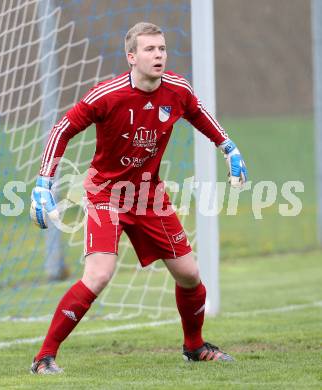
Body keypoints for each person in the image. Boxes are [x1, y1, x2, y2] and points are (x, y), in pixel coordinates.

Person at [30, 22, 247, 374]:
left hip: (148, 196)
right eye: (149, 49)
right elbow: (61, 129)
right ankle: (44, 357)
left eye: (161, 48)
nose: (158, 54)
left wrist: (228, 146)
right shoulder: (107, 94)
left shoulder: (177, 89)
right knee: (99, 275)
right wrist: (44, 180)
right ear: (131, 57)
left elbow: (199, 113)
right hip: (106, 196)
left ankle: (194, 347)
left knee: (189, 274)